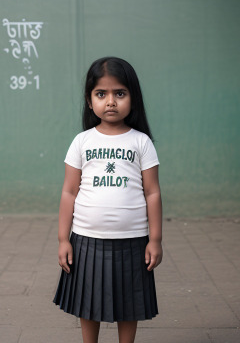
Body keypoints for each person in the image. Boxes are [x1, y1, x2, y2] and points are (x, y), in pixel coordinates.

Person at [53, 56, 163, 343]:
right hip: (87, 238)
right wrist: (63, 239)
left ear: (132, 98)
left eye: (120, 93)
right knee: (87, 303)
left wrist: (155, 239)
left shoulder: (141, 142)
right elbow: (69, 191)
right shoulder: (82, 142)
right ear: (90, 102)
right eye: (101, 94)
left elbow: (152, 192)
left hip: (134, 239)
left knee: (130, 304)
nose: (110, 101)